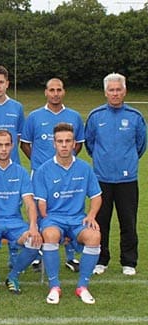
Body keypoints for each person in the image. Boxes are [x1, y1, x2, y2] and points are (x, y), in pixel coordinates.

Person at [21, 78, 86, 273]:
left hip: (67, 175)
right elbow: (25, 143)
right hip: (41, 175)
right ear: (46, 92)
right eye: (52, 90)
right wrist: (43, 167)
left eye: (59, 90)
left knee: (69, 208)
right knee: (41, 212)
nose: (55, 93)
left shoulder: (74, 116)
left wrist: (66, 163)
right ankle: (40, 254)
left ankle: (71, 256)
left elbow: (79, 144)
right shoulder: (34, 116)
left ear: (63, 92)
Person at [85, 73, 146, 276]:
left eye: (118, 89)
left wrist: (125, 162)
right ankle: (101, 259)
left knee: (127, 221)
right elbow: (90, 144)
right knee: (100, 221)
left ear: (124, 91)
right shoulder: (96, 116)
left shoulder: (135, 117)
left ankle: (129, 261)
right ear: (105, 92)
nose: (115, 93)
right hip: (101, 179)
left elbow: (140, 145)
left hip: (127, 179)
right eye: (111, 90)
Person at [33, 123, 102, 304]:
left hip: (78, 219)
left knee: (94, 236)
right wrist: (46, 221)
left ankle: (83, 286)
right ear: (54, 144)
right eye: (60, 141)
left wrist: (91, 215)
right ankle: (54, 286)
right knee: (50, 234)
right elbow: (41, 204)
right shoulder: (43, 170)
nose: (64, 145)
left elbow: (96, 196)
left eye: (68, 141)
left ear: (74, 144)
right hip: (53, 218)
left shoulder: (85, 168)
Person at [0, 130, 42, 295]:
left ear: (12, 146)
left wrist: (33, 226)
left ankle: (13, 276)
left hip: (14, 222)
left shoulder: (20, 172)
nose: (3, 149)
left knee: (35, 241)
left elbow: (29, 203)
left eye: (6, 145)